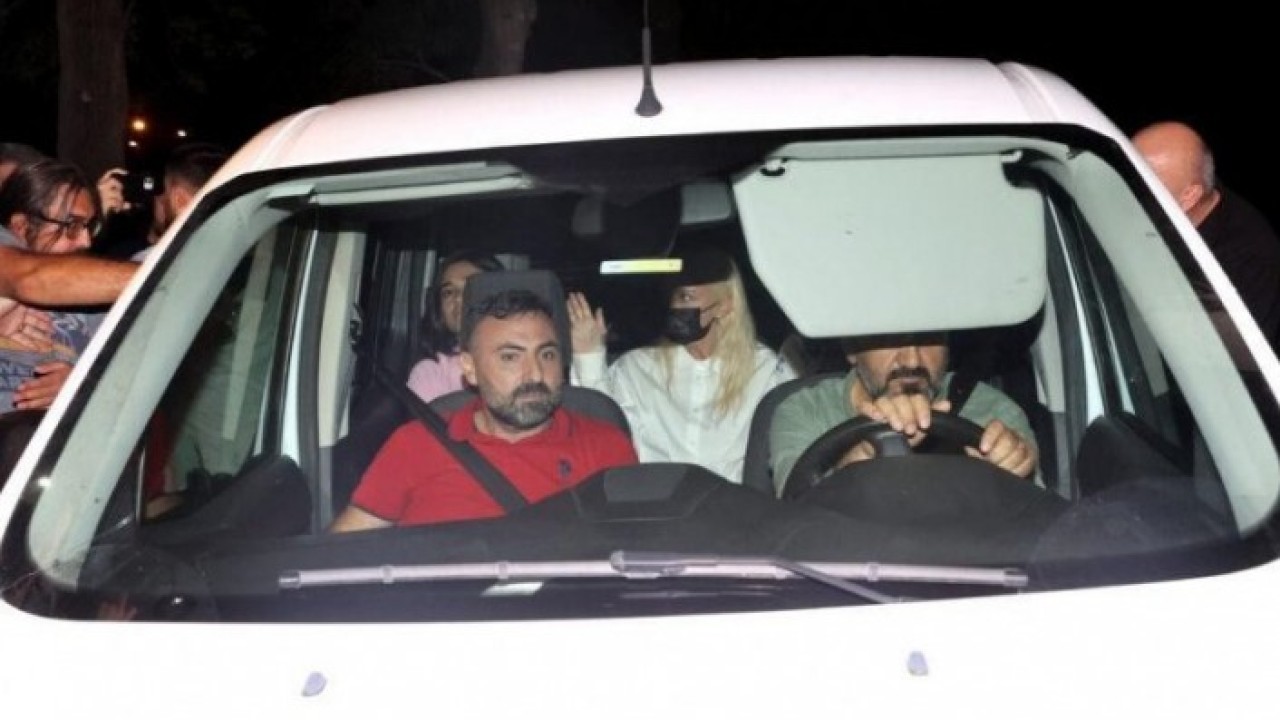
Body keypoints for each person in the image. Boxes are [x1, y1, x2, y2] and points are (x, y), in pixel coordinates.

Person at [331, 286, 637, 530]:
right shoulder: (415, 445)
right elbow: (346, 548)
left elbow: (634, 552)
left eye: (546, 355)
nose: (535, 375)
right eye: (510, 357)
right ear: (470, 369)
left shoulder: (606, 447)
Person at [568, 245, 795, 483]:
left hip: (732, 503)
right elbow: (599, 429)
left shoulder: (763, 370)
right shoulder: (639, 368)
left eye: (686, 297)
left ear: (724, 305)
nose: (676, 307)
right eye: (673, 297)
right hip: (653, 501)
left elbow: (790, 442)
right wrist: (588, 355)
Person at [769, 332, 1038, 496]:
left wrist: (1011, 467)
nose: (912, 360)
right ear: (852, 349)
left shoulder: (989, 411)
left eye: (929, 338)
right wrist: (863, 456)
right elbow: (796, 512)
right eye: (889, 338)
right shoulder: (806, 410)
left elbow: (1034, 531)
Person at [1132, 121, 1280, 348]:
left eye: (1142, 181)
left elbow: (1226, 356)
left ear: (1189, 196)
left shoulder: (1248, 262)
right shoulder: (1180, 197)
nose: (1127, 185)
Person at [0, 159, 110, 411]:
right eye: (72, 226)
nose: (86, 241)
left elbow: (126, 380)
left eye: (88, 226)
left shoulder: (91, 296)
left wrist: (81, 384)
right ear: (21, 226)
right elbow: (26, 276)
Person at [406, 250, 504, 402]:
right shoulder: (432, 374)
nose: (458, 298)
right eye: (449, 292)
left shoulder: (528, 356)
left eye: (470, 288)